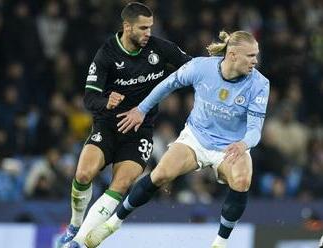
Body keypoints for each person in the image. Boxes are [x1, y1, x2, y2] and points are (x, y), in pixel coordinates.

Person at [84, 30, 270, 248]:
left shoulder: (259, 84)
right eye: (251, 56)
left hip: (231, 146)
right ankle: (114, 223)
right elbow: (168, 84)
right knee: (161, 175)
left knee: (242, 180)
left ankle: (220, 243)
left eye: (256, 55)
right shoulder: (202, 67)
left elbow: (255, 130)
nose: (255, 61)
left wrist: (243, 144)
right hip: (197, 138)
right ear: (233, 55)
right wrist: (142, 110)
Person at [57, 2, 191, 248]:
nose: (148, 33)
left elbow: (192, 67)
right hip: (107, 126)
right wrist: (106, 101)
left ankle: (77, 242)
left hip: (140, 132)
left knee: (121, 183)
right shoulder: (107, 53)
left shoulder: (160, 49)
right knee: (83, 174)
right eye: (143, 28)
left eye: (150, 27)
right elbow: (89, 98)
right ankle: (75, 224)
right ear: (127, 27)